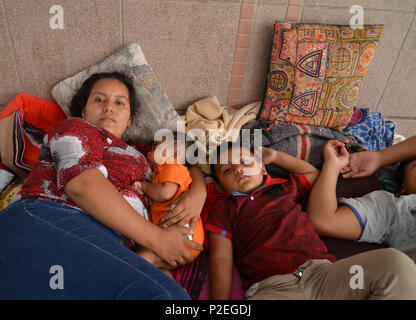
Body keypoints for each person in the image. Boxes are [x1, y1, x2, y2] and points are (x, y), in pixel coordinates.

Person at [0, 72, 205, 299]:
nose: (109, 107)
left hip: (108, 246)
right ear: (84, 111)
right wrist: (158, 240)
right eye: (99, 100)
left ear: (129, 119)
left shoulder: (144, 155)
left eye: (119, 102)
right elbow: (82, 185)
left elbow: (183, 164)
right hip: (52, 217)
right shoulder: (76, 128)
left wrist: (199, 191)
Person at [207, 141, 416, 300]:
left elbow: (311, 172)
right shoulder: (223, 209)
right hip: (272, 289)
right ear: (220, 187)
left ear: (262, 169)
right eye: (227, 170)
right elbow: (221, 259)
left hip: (325, 277)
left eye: (245, 161)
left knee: (394, 264)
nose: (238, 169)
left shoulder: (282, 188)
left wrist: (276, 156)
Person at [307, 137, 416, 261]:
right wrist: (332, 165)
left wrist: (381, 157)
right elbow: (323, 221)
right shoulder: (395, 209)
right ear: (404, 187)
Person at [133, 133, 204, 270]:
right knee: (160, 267)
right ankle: (173, 289)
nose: (149, 152)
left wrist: (144, 187)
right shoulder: (164, 171)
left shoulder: (173, 166)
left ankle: (129, 274)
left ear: (175, 154)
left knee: (144, 256)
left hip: (182, 234)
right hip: (181, 237)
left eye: (155, 148)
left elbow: (165, 193)